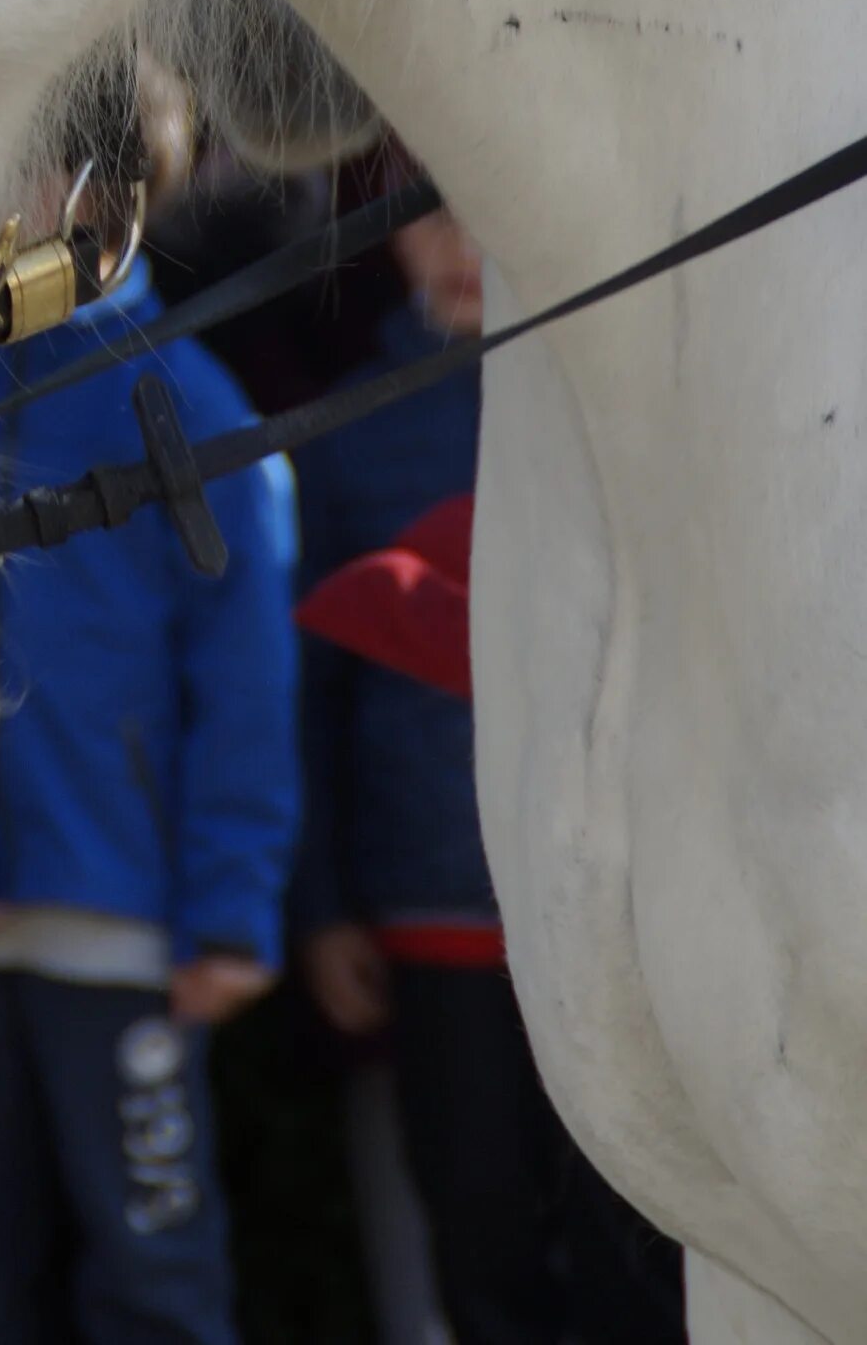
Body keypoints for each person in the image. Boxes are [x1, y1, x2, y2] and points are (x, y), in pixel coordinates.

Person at [0, 152, 300, 1345]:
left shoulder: (198, 410)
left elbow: (245, 690)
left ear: (109, 191)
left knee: (155, 1280)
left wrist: (231, 911)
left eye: (11, 152)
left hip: (121, 938)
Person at [294, 199, 686, 1345]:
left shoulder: (618, 416)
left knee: (644, 1256)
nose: (460, 248)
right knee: (478, 1246)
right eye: (428, 222)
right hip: (428, 918)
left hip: (617, 923)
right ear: (392, 242)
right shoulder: (343, 435)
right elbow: (308, 698)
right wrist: (319, 909)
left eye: (483, 215)